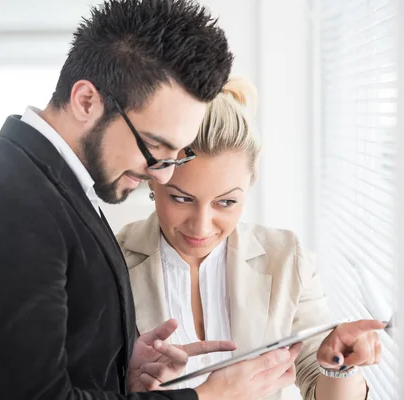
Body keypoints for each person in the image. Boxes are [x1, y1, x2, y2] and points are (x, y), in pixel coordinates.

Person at [0, 2, 301, 399]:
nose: (162, 174)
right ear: (86, 101)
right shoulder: (7, 208)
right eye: (153, 146)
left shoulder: (46, 181)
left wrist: (111, 364)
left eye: (175, 154)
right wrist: (207, 396)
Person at [117, 77, 386, 400]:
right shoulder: (111, 261)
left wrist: (337, 365)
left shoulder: (287, 259)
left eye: (226, 202)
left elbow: (320, 386)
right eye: (181, 199)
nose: (201, 227)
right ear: (153, 179)